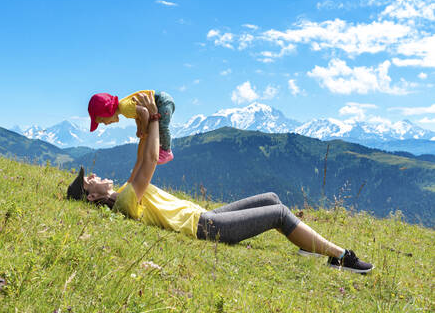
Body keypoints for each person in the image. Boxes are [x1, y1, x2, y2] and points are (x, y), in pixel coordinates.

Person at [70, 93, 373, 274]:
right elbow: (149, 164)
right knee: (279, 214)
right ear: (93, 198)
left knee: (271, 197)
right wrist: (154, 119)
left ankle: (309, 247)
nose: (94, 176)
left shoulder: (125, 191)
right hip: (207, 227)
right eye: (89, 181)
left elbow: (141, 158)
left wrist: (144, 123)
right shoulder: (123, 202)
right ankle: (340, 258)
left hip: (206, 214)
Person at [88, 90, 175, 165]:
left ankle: (167, 151)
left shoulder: (124, 108)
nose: (106, 124)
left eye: (103, 121)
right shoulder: (124, 108)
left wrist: (145, 131)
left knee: (162, 126)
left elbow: (144, 112)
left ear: (107, 112)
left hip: (162, 102)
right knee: (159, 127)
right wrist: (139, 128)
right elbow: (138, 115)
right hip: (162, 100)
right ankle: (163, 149)